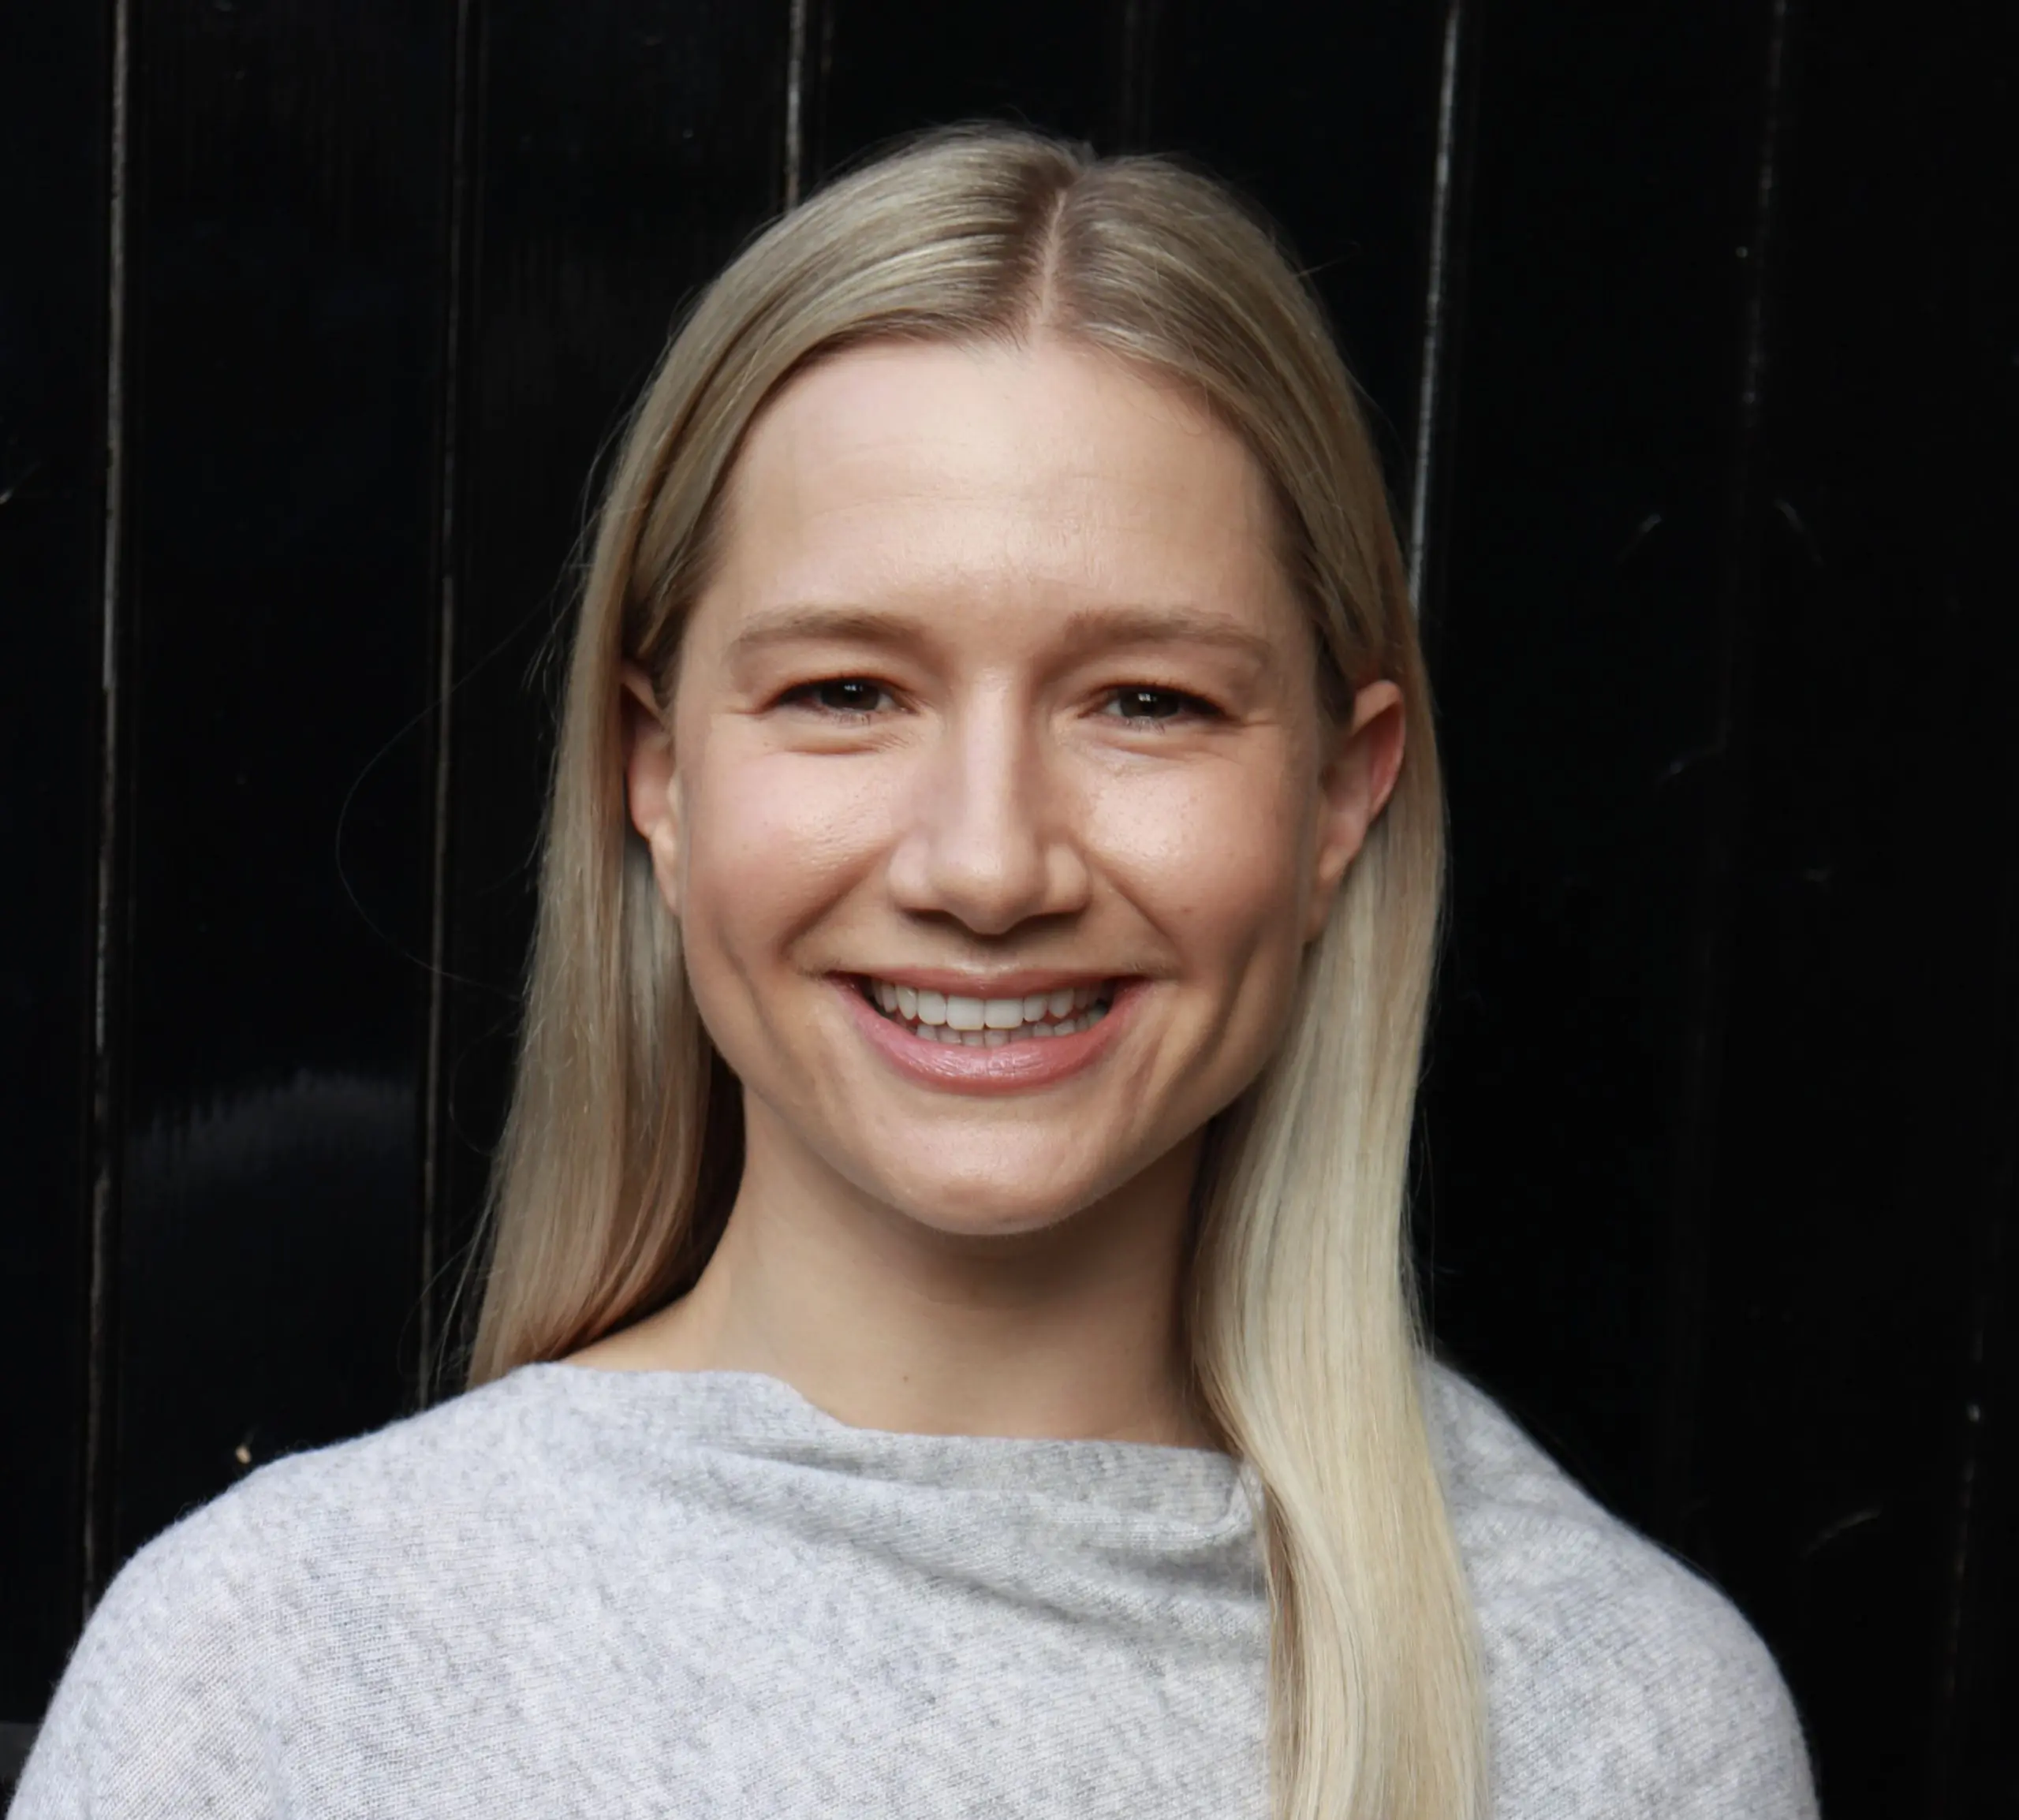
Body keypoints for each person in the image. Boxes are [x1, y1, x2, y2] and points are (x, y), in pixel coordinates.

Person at [12, 127, 1816, 1820]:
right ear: (656, 770)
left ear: (1341, 791)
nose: (983, 864)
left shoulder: (1617, 1721)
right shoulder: (274, 1673)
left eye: (1144, 701)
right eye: (846, 692)